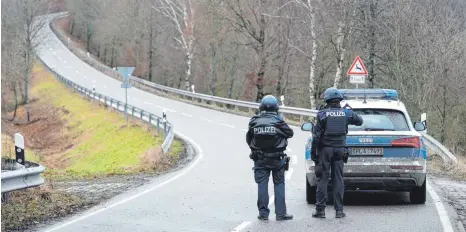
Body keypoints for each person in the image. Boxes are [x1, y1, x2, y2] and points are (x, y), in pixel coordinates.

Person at [311, 87, 363, 219]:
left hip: (325, 150)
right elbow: (359, 121)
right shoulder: (346, 113)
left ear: (327, 100)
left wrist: (314, 153)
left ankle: (320, 210)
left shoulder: (322, 114)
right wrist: (350, 110)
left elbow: (316, 136)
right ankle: (339, 211)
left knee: (322, 179)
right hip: (340, 150)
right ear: (339, 100)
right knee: (338, 180)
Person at [246, 95, 294, 221]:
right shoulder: (279, 122)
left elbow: (249, 139)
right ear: (276, 107)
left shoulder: (254, 121)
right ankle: (280, 214)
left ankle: (263, 214)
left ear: (261, 107)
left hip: (260, 158)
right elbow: (290, 133)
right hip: (277, 159)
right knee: (279, 184)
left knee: (262, 185)